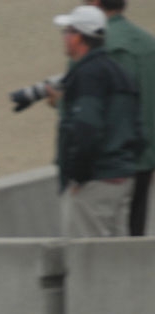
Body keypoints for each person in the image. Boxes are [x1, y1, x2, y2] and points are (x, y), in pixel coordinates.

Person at [49, 5, 144, 237]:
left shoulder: (88, 74)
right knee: (116, 258)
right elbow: (140, 130)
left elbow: (86, 128)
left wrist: (78, 176)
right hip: (122, 179)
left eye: (67, 32)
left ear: (78, 37)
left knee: (87, 261)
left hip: (95, 183)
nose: (64, 37)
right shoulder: (120, 73)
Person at [85, 0, 155, 235]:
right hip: (145, 158)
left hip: (111, 163)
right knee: (135, 234)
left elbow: (92, 109)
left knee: (106, 242)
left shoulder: (96, 46)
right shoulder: (148, 43)